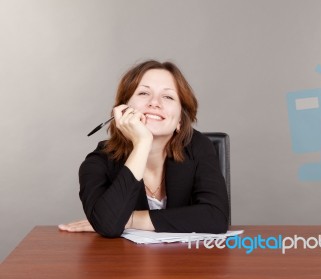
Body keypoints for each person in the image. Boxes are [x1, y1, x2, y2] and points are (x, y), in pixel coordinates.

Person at [59, 60, 229, 237]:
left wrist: (130, 219)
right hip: (125, 262)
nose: (154, 103)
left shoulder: (199, 147)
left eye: (168, 96)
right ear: (123, 110)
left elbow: (215, 218)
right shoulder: (99, 161)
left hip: (188, 261)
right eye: (143, 93)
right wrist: (142, 143)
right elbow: (107, 225)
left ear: (180, 119)